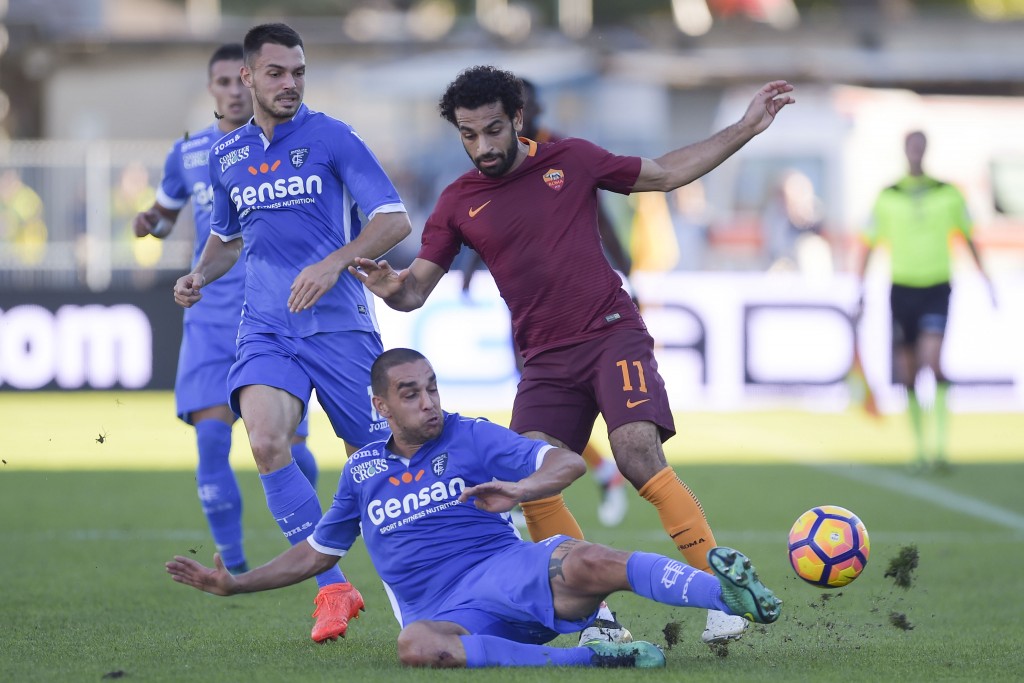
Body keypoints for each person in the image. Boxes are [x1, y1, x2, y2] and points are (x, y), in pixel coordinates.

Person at [349, 65, 794, 645]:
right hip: (544, 361)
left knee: (636, 454)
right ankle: (598, 621)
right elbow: (414, 292)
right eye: (468, 135)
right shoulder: (458, 200)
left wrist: (746, 127)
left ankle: (721, 595)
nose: (482, 147)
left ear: (517, 119)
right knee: (531, 475)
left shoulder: (572, 160)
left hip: (610, 333)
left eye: (492, 130)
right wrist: (391, 287)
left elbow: (665, 174)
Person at [166, 348, 782, 669]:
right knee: (414, 646)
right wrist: (237, 584)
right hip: (451, 616)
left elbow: (566, 462)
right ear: (382, 407)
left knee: (588, 558)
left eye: (432, 388)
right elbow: (317, 553)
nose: (429, 403)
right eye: (411, 394)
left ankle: (729, 596)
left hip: (515, 575)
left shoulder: (470, 435)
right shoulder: (362, 471)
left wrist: (521, 490)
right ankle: (590, 660)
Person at [171, 24, 412, 642]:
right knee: (266, 441)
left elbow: (393, 219)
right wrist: (199, 274)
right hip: (267, 329)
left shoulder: (333, 136)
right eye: (276, 72)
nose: (290, 83)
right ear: (248, 77)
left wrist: (335, 263)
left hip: (339, 328)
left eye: (298, 72)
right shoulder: (228, 155)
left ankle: (449, 571)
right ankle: (333, 588)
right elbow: (226, 239)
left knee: (385, 467)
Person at [134, 43, 323, 578]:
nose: (234, 92)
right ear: (211, 88)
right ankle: (232, 565)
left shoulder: (290, 143)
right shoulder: (189, 153)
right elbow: (167, 214)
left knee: (290, 447)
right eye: (222, 83)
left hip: (273, 309)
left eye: (239, 81)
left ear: (252, 80)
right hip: (210, 316)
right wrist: (150, 223)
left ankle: (314, 553)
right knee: (212, 441)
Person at [459, 77, 629, 529]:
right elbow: (490, 219)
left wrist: (626, 265)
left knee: (568, 399)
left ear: (528, 112)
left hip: (579, 301)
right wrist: (471, 269)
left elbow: (598, 209)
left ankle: (581, 477)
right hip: (527, 303)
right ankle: (591, 474)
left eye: (525, 107)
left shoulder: (559, 152)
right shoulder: (494, 157)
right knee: (539, 398)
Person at [858, 130, 995, 472]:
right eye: (911, 146)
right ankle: (919, 451)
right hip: (901, 288)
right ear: (905, 150)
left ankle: (941, 449)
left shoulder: (948, 193)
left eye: (920, 146)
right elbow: (869, 242)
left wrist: (986, 279)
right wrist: (859, 286)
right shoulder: (888, 195)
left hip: (936, 286)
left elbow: (968, 237)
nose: (916, 152)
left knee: (932, 363)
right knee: (907, 372)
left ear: (926, 150)